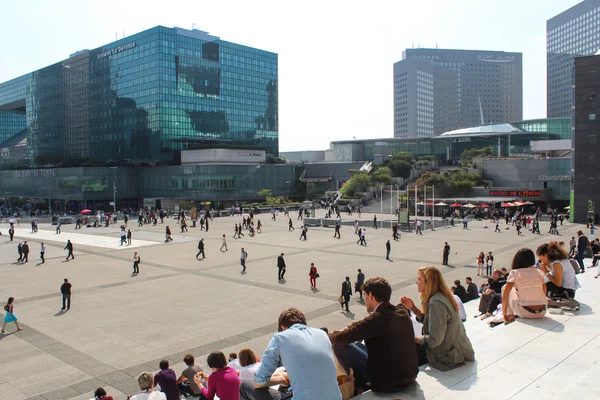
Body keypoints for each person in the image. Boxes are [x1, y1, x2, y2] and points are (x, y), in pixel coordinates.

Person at [329, 277, 418, 393]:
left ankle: (358, 386)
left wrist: (329, 335)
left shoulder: (376, 320)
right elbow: (362, 325)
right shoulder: (401, 311)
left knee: (341, 346)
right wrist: (350, 327)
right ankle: (362, 384)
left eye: (364, 295)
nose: (364, 299)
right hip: (409, 375)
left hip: (389, 381)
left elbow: (342, 338)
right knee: (359, 345)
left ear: (370, 295)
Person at [241, 308, 342, 400]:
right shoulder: (322, 335)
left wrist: (279, 379)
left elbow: (258, 382)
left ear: (283, 327)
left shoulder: (280, 338)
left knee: (244, 385)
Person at [401, 266, 475, 371]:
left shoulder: (436, 303)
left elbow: (434, 340)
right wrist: (413, 308)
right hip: (457, 352)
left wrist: (413, 339)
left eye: (419, 279)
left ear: (428, 282)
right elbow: (432, 321)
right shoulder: (439, 297)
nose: (416, 282)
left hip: (452, 357)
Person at [502, 248, 548, 322]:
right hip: (542, 312)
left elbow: (505, 296)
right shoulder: (540, 272)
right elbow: (544, 291)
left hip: (525, 312)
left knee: (505, 288)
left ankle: (509, 316)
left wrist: (504, 312)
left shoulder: (515, 272)